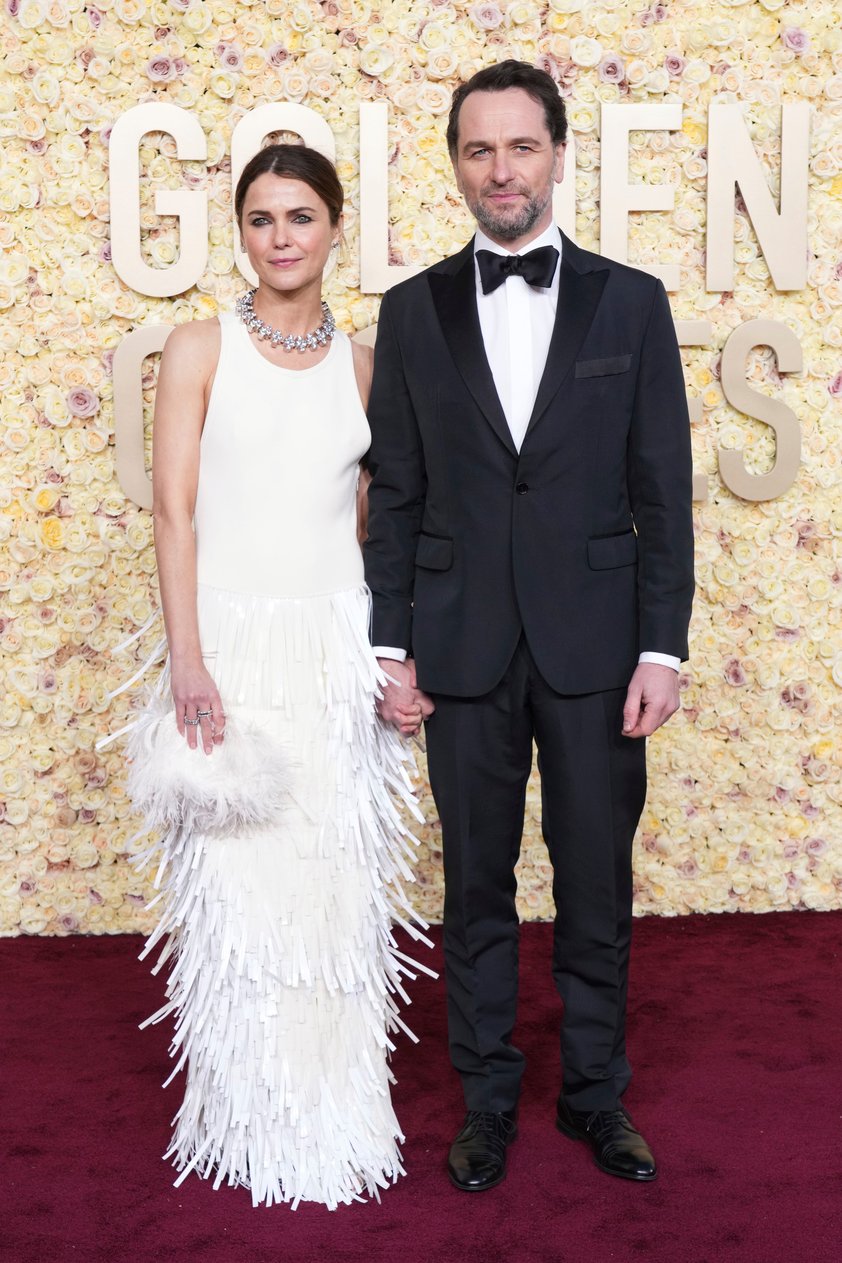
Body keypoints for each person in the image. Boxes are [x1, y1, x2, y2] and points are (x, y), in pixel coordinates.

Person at [364, 61, 694, 1190]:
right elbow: (396, 494)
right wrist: (387, 642)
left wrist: (661, 646)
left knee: (596, 880)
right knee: (474, 889)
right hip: (457, 652)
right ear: (454, 164)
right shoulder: (410, 312)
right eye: (476, 149)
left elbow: (662, 488)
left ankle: (596, 1099)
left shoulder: (630, 300)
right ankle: (487, 1104)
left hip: (600, 651)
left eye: (518, 146)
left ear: (556, 153)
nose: (498, 170)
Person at [145, 143, 427, 1208]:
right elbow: (173, 513)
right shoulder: (197, 347)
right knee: (238, 895)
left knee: (331, 895)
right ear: (242, 233)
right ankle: (244, 1121)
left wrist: (389, 658)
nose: (280, 237)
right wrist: (187, 659)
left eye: (300, 217)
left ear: (333, 228)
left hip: (330, 653)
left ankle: (336, 1118)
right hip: (228, 650)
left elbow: (371, 525)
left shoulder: (365, 366)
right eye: (261, 219)